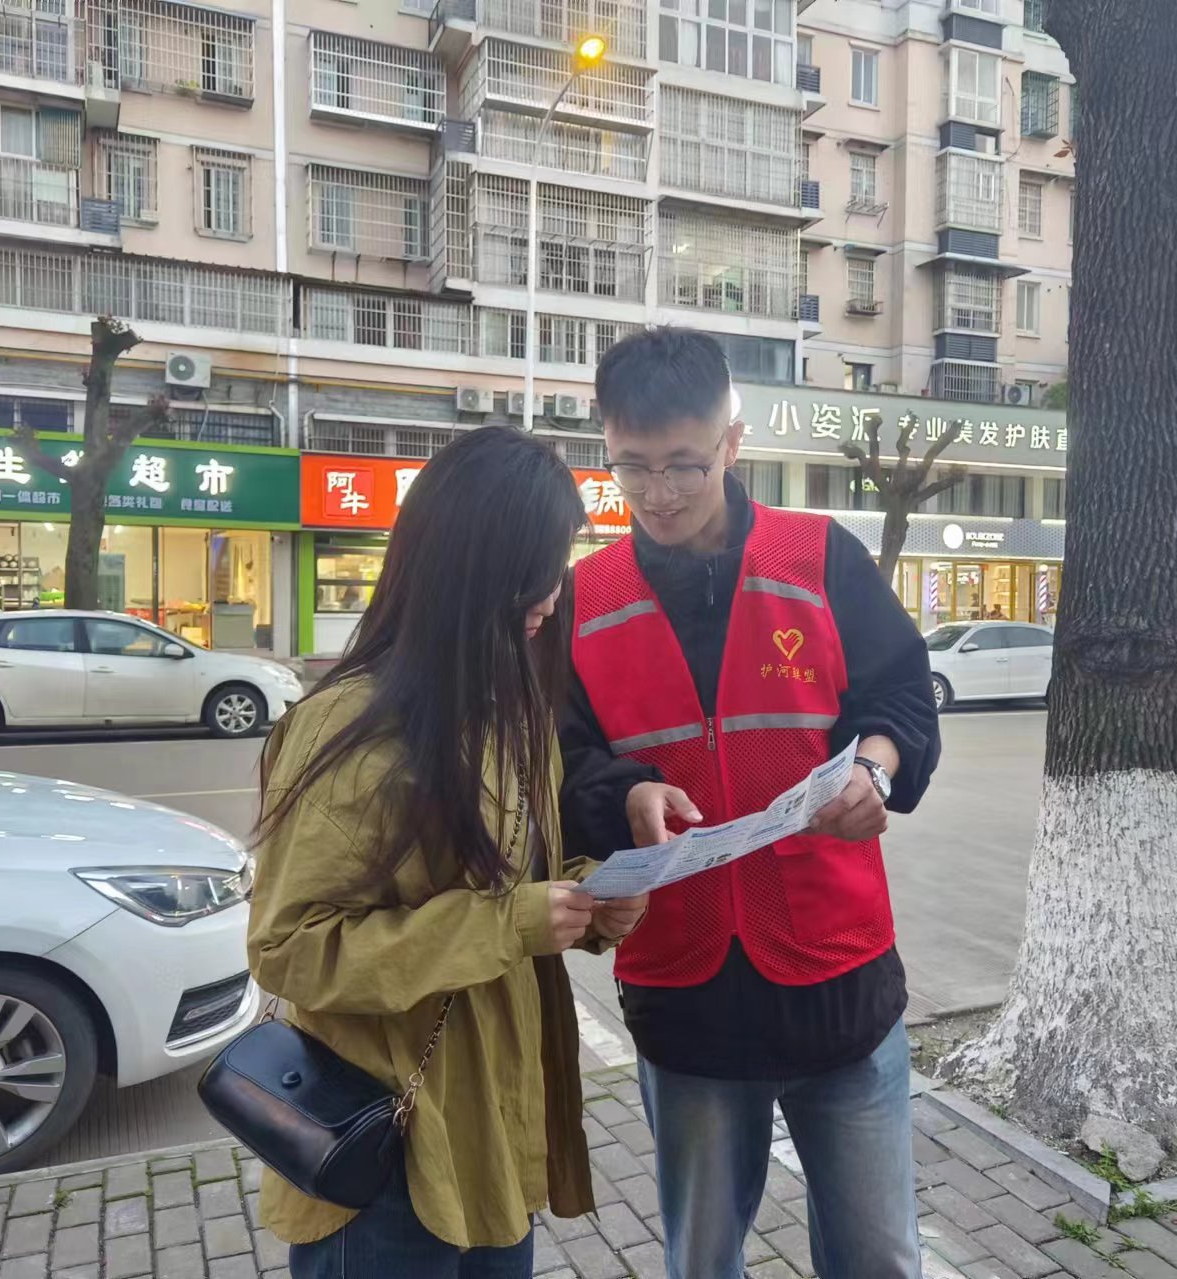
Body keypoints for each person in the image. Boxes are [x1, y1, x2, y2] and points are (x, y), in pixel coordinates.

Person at [561, 329, 942, 1279]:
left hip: (837, 981)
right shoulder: (585, 598)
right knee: (701, 1261)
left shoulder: (819, 556)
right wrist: (627, 791)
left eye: (684, 464)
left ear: (732, 442)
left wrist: (877, 770)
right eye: (632, 467)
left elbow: (900, 692)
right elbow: (558, 757)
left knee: (879, 1257)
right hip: (686, 993)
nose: (658, 493)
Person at [247, 428, 648, 1279]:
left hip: (493, 1137)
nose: (552, 595)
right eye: (537, 570)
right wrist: (511, 922)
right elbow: (289, 948)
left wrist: (592, 900)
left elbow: (520, 884)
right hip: (385, 1152)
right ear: (473, 569)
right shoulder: (348, 727)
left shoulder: (513, 710)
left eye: (559, 565)